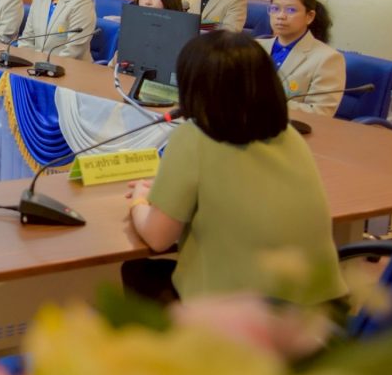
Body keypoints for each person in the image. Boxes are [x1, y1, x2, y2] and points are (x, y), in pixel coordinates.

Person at [123, 31, 346, 308]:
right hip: (321, 310)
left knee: (137, 271)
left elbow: (158, 237)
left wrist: (139, 201)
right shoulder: (290, 136)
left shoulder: (193, 136)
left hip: (243, 316)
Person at [257, 0, 344, 117]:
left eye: (291, 10)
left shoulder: (328, 58)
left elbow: (321, 112)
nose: (281, 16)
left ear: (309, 16)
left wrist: (266, 102)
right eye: (275, 9)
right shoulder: (256, 46)